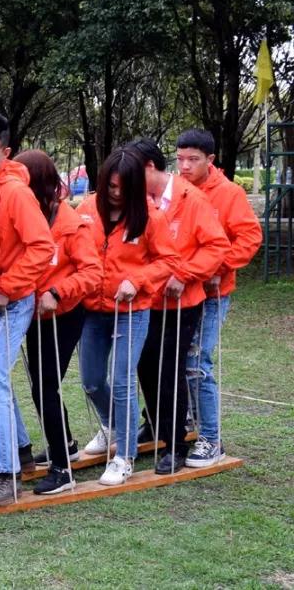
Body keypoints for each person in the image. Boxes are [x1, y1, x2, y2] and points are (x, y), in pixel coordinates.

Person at [0, 112, 56, 507]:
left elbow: (42, 247)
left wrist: (8, 287)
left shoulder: (16, 193)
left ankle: (8, 475)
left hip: (12, 301)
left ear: (6, 152)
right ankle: (19, 450)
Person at [76, 148, 179, 486]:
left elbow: (168, 261)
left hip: (132, 311)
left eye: (123, 187)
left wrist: (137, 280)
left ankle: (125, 456)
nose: (115, 192)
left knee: (122, 380)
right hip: (93, 310)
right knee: (91, 380)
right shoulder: (86, 209)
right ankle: (112, 426)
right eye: (110, 185)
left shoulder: (151, 217)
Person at [125, 139, 228, 474]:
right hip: (146, 299)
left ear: (149, 167)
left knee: (171, 370)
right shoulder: (138, 200)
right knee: (144, 366)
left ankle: (176, 445)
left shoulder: (191, 198)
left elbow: (216, 247)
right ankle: (159, 427)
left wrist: (184, 274)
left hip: (181, 303)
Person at [13, 150, 102, 495]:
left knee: (46, 384)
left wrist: (57, 292)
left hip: (64, 314)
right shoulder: (27, 214)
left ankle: (62, 469)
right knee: (40, 384)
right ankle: (64, 443)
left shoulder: (71, 224)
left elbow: (92, 272)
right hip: (33, 313)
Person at [175, 129, 262, 467]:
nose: (184, 166)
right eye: (180, 159)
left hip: (212, 293)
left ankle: (211, 439)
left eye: (193, 159)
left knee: (198, 362)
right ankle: (184, 421)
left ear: (210, 160)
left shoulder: (229, 193)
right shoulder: (175, 189)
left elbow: (249, 237)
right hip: (181, 290)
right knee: (177, 360)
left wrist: (219, 266)